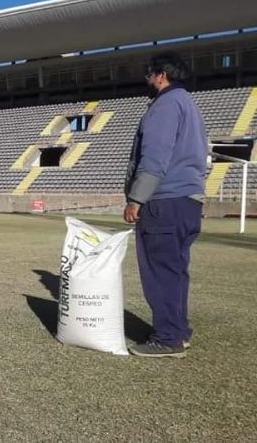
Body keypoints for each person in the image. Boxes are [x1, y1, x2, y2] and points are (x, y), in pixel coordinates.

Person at [124, 53, 207, 358]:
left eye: (148, 75)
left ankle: (167, 337)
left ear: (160, 75)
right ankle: (179, 331)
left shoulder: (165, 105)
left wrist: (136, 198)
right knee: (175, 271)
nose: (146, 81)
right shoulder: (190, 105)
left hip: (164, 200)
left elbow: (155, 157)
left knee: (159, 271)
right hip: (189, 199)